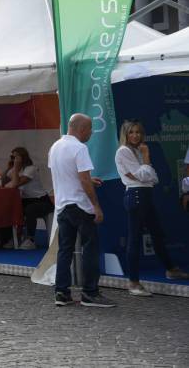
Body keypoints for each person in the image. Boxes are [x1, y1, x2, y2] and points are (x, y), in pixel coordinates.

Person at [113, 120, 189, 295]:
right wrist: (146, 158)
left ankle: (171, 269)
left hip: (145, 195)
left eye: (138, 132)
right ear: (126, 134)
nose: (136, 135)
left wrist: (143, 168)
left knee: (157, 233)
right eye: (131, 132)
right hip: (136, 195)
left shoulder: (137, 150)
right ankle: (133, 282)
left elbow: (153, 178)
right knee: (135, 239)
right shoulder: (124, 151)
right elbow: (142, 175)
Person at [49, 113, 113, 308]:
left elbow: (63, 175)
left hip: (62, 206)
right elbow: (84, 179)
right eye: (90, 129)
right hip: (80, 206)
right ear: (81, 129)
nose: (91, 133)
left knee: (65, 250)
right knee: (90, 248)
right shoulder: (80, 148)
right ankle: (90, 292)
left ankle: (61, 292)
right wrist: (96, 206)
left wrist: (86, 180)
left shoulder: (55, 147)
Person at [1, 146, 53, 250]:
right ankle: (14, 237)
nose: (13, 159)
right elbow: (4, 183)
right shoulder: (13, 171)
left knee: (30, 210)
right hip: (25, 200)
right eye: (12, 157)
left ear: (22, 157)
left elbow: (16, 184)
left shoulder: (31, 169)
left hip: (41, 200)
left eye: (15, 157)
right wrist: (10, 167)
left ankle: (31, 239)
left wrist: (15, 168)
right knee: (8, 209)